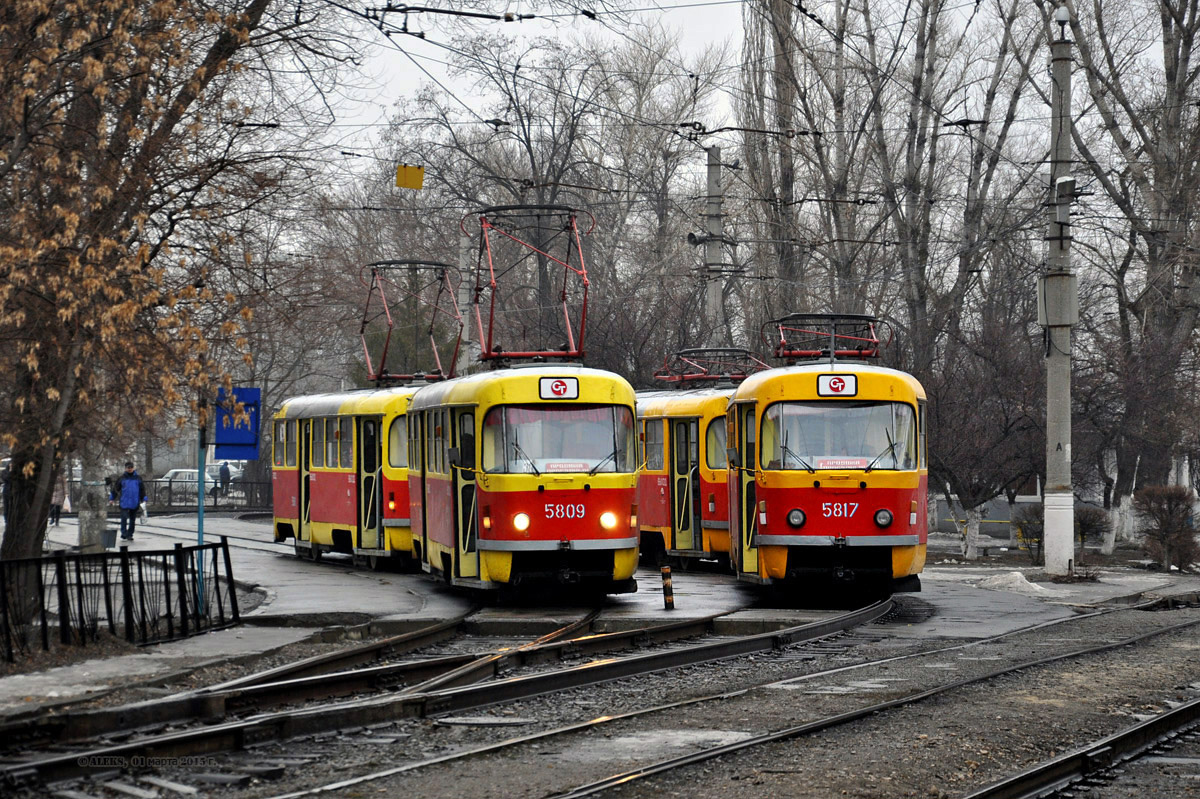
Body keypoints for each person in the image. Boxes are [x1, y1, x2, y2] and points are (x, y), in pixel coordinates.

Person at [109, 461, 146, 541]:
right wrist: (112, 498)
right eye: (128, 468)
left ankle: (130, 534)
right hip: (124, 502)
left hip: (134, 501)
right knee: (124, 518)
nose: (130, 469)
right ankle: (124, 533)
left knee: (132, 520)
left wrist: (144, 499)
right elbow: (115, 489)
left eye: (131, 468)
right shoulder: (121, 478)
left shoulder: (138, 478)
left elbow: (142, 490)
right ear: (125, 468)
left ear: (133, 468)